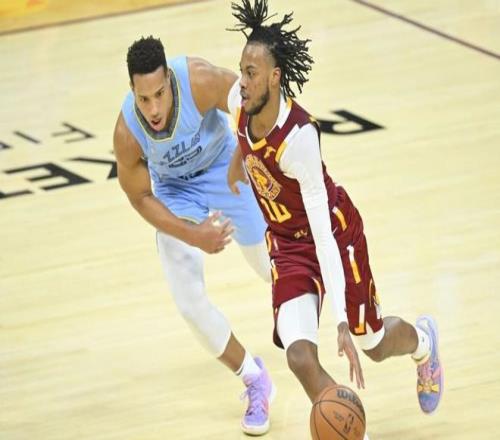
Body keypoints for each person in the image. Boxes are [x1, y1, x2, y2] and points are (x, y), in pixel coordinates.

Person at [226, 0, 443, 417]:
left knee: (371, 343)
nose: (243, 81)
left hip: (334, 234)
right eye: (241, 70)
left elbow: (323, 233)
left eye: (251, 73)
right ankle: (351, 428)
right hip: (288, 246)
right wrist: (239, 160)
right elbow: (240, 129)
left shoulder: (298, 139)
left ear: (275, 76)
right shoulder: (239, 99)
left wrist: (341, 320)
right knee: (298, 356)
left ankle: (424, 344)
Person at [113, 36, 276, 435]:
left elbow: (253, 102)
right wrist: (192, 234)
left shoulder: (199, 80)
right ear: (132, 90)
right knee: (188, 301)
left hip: (224, 170)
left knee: (273, 271)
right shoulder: (127, 132)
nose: (153, 109)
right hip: (175, 192)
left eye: (159, 94)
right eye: (143, 98)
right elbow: (140, 197)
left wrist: (241, 158)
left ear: (170, 80)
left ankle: (352, 310)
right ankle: (254, 378)